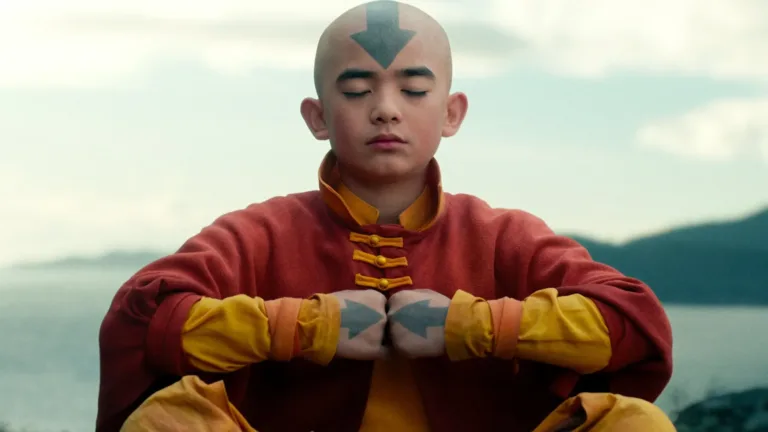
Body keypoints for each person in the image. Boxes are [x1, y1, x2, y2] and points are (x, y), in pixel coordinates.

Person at [96, 1, 676, 431]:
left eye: (414, 90)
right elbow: (144, 323)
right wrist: (304, 326)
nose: (385, 110)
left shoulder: (504, 235)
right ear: (317, 116)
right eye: (357, 91)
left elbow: (629, 321)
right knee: (169, 418)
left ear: (451, 113)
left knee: (633, 423)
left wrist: (471, 326)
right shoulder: (258, 233)